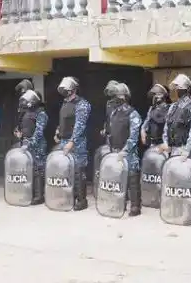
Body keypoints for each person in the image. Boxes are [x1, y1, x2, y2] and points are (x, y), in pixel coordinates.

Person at [104, 82, 143, 216]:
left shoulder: (133, 114)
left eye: (116, 96)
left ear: (123, 97)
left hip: (128, 153)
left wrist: (124, 151)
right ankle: (120, 204)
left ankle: (135, 207)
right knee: (118, 179)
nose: (114, 99)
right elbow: (112, 131)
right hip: (115, 150)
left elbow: (133, 137)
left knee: (132, 179)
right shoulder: (114, 112)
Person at [55, 76, 91, 211]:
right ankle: (68, 197)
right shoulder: (65, 103)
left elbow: (79, 125)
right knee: (65, 170)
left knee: (78, 171)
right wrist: (58, 132)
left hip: (77, 142)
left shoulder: (82, 104)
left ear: (73, 89)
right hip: (64, 140)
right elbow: (63, 120)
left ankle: (81, 200)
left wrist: (72, 141)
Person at [160, 74, 191, 159]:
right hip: (173, 150)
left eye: (179, 88)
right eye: (176, 88)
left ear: (186, 90)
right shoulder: (173, 107)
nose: (176, 90)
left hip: (190, 151)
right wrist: (166, 143)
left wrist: (187, 149)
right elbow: (167, 127)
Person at [16, 89, 48, 205]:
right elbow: (23, 127)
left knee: (38, 170)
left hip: (37, 145)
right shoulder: (27, 112)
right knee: (28, 169)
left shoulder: (41, 113)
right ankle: (31, 193)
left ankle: (39, 196)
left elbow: (39, 132)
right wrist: (20, 135)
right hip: (26, 144)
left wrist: (29, 143)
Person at [99, 80, 121, 144]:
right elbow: (108, 118)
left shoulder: (121, 103)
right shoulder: (108, 103)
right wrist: (105, 129)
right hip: (109, 135)